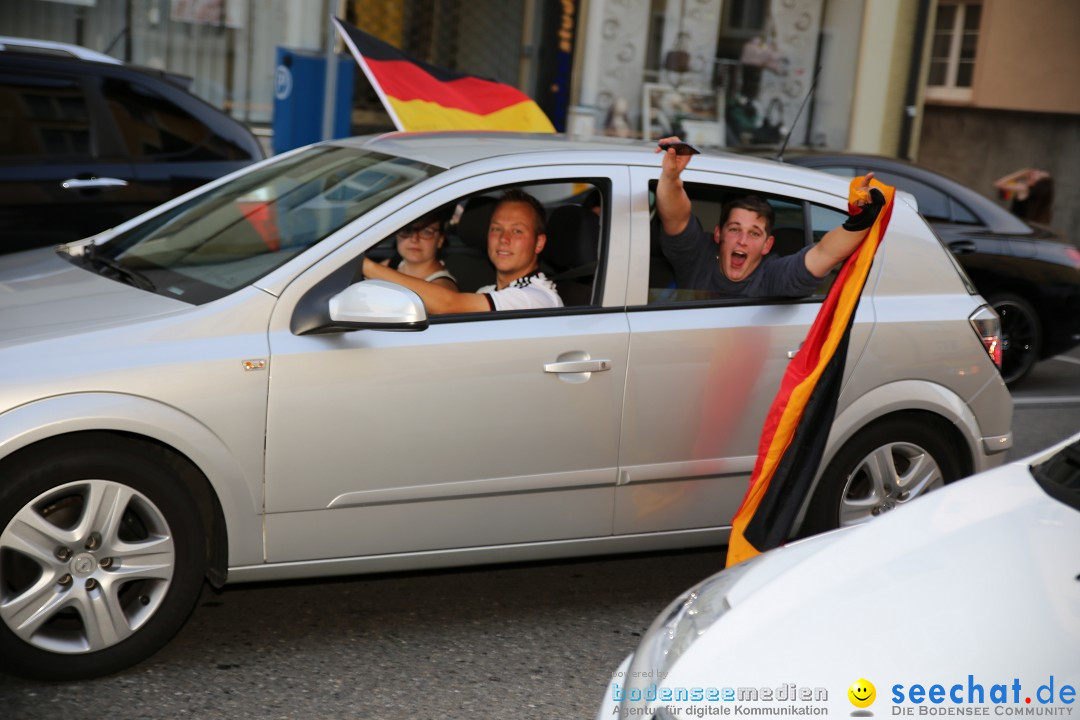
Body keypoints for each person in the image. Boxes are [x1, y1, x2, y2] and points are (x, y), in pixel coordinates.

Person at [654, 135, 885, 297]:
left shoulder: (772, 275)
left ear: (767, 245)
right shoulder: (698, 257)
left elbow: (823, 254)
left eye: (754, 233)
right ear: (718, 234)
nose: (742, 240)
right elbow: (677, 218)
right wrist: (671, 177)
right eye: (734, 229)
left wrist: (860, 219)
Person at [361, 189, 563, 313]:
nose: (503, 239)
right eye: (496, 229)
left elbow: (449, 305)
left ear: (539, 243)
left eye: (517, 231)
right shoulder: (487, 292)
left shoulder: (534, 296)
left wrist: (364, 265)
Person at [382, 209, 458, 290]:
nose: (414, 239)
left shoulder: (443, 287)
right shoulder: (392, 264)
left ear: (440, 240)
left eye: (426, 232)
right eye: (407, 230)